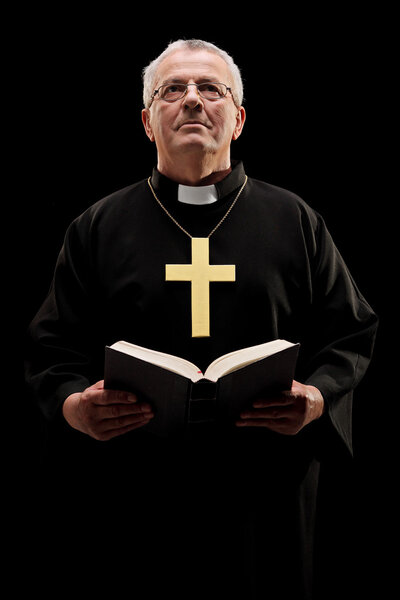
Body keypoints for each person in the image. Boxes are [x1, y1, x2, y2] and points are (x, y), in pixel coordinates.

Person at [25, 39, 378, 599]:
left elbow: (351, 333)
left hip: (265, 497)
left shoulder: (294, 221)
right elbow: (51, 348)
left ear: (237, 119)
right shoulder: (97, 228)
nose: (192, 101)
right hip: (133, 498)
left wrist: (315, 399)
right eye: (173, 90)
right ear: (148, 121)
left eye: (210, 89)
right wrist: (73, 407)